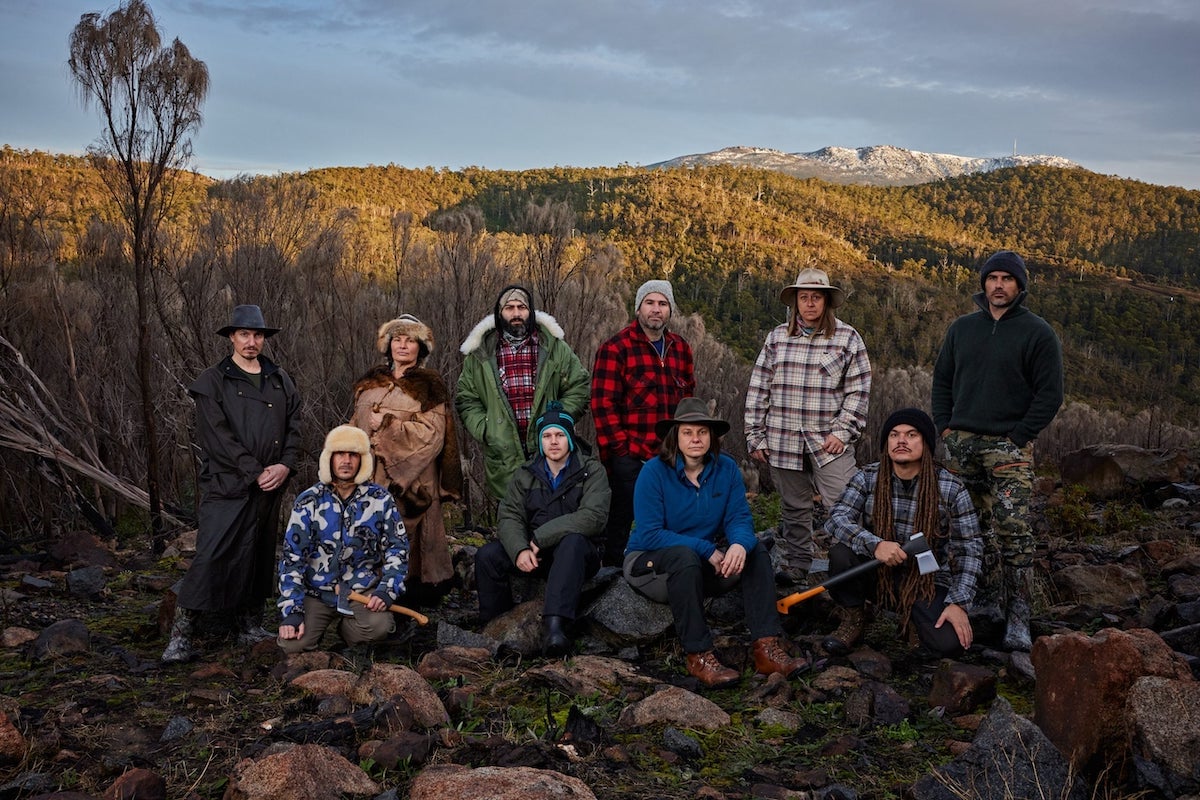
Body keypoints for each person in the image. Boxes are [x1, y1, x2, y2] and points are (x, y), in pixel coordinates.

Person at [624, 398, 808, 688]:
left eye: (702, 432)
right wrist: (706, 549)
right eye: (687, 432)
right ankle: (698, 655)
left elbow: (739, 519)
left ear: (711, 437)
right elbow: (649, 533)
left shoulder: (725, 469)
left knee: (756, 550)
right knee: (684, 555)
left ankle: (766, 648)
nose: (695, 439)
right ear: (676, 436)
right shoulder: (654, 472)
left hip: (703, 568)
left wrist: (738, 545)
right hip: (652, 568)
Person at [932, 250, 1063, 651]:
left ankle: (1019, 615)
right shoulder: (962, 329)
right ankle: (981, 601)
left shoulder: (1037, 332)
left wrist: (1020, 436)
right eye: (993, 278)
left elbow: (1050, 394)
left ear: (1020, 285)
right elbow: (942, 382)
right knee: (964, 529)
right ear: (983, 283)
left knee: (1014, 531)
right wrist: (945, 429)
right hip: (962, 446)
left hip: (1009, 448)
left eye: (1008, 278)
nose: (999, 285)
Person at [162, 304, 302, 664]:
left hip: (271, 485)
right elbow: (216, 436)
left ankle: (248, 625)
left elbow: (295, 428)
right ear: (231, 337)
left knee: (256, 554)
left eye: (257, 335)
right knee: (212, 554)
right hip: (227, 484)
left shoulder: (279, 379)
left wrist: (284, 466)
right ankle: (181, 635)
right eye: (244, 334)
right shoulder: (214, 381)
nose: (251, 341)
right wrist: (254, 470)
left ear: (264, 339)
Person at [821, 409, 984, 658]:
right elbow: (836, 519)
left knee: (948, 644)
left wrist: (958, 603)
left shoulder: (950, 488)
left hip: (926, 581)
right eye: (894, 435)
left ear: (926, 443)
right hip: (877, 573)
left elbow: (969, 549)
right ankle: (854, 617)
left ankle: (912, 620)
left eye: (911, 434)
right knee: (841, 554)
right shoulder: (868, 477)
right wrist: (874, 544)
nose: (901, 441)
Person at [744, 268, 871, 585]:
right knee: (794, 508)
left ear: (827, 301)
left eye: (816, 297)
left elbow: (859, 390)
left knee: (846, 503)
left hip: (829, 443)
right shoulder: (776, 338)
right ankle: (797, 565)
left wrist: (842, 432)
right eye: (804, 297)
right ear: (795, 302)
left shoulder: (847, 338)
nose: (810, 303)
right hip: (783, 439)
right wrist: (755, 436)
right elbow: (759, 388)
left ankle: (855, 567)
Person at [474, 403, 610, 656]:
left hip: (578, 555)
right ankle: (494, 629)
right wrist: (519, 549)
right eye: (547, 436)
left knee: (573, 542)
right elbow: (509, 515)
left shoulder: (591, 471)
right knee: (487, 556)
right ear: (540, 441)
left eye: (560, 435)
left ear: (569, 438)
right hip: (535, 553)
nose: (553, 442)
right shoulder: (526, 474)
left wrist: (540, 537)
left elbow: (593, 517)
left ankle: (555, 629)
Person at [351, 315, 461, 597]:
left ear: (420, 348)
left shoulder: (429, 385)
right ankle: (368, 595)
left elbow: (433, 436)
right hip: (368, 477)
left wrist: (388, 426)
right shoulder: (370, 383)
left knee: (408, 542)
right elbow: (354, 425)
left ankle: (408, 600)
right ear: (388, 346)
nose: (402, 345)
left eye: (410, 340)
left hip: (411, 480)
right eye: (397, 339)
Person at [277, 425, 409, 653]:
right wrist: (292, 611)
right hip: (316, 591)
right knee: (293, 644)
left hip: (360, 590)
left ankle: (347, 631)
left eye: (353, 455)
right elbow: (292, 558)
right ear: (329, 458)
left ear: (362, 460)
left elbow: (397, 548)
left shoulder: (380, 499)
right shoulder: (309, 501)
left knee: (379, 628)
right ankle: (314, 626)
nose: (346, 461)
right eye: (340, 454)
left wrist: (387, 589)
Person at [591, 279, 695, 566]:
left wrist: (686, 447)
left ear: (670, 310)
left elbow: (688, 400)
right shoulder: (616, 348)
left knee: (671, 517)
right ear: (638, 308)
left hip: (672, 455)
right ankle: (610, 573)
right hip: (631, 455)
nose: (656, 310)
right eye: (650, 303)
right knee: (621, 518)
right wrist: (621, 450)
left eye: (663, 304)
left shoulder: (681, 349)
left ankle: (666, 569)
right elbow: (602, 404)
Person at [457, 285, 590, 499]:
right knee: (511, 519)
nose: (516, 313)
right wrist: (486, 429)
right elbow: (466, 399)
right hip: (504, 452)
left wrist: (558, 418)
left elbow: (579, 386)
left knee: (551, 515)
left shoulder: (554, 348)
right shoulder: (480, 354)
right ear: (499, 314)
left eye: (522, 307)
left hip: (548, 447)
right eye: (509, 308)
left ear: (531, 311)